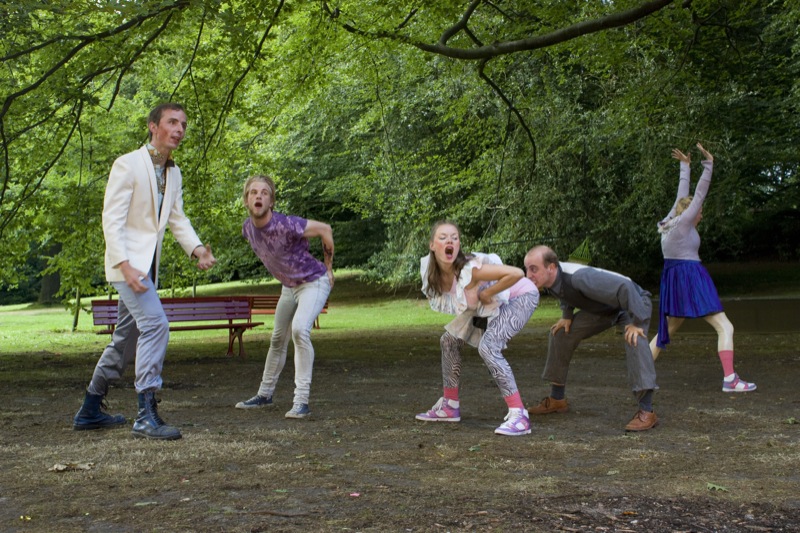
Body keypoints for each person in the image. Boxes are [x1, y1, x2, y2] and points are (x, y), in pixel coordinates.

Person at [73, 103, 217, 440]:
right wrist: (123, 264)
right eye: (172, 122)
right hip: (126, 267)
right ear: (153, 126)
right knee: (156, 325)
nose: (179, 129)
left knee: (125, 341)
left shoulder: (173, 173)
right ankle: (145, 415)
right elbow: (112, 219)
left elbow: (177, 218)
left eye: (183, 124)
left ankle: (90, 409)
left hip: (147, 270)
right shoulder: (127, 164)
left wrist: (197, 249)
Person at [416, 221, 540, 436]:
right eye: (443, 237)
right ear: (432, 245)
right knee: (449, 340)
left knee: (488, 347)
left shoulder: (470, 270)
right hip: (485, 307)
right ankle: (450, 406)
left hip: (521, 296)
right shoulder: (432, 272)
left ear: (458, 245)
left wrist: (486, 293)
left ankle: (519, 415)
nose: (449, 241)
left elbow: (516, 273)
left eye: (454, 238)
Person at [649, 143, 756, 392]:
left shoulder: (668, 223)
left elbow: (681, 198)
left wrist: (685, 166)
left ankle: (641, 375)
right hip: (690, 277)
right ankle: (730, 379)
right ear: (690, 213)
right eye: (699, 212)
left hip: (674, 278)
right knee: (725, 326)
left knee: (667, 329)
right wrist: (708, 165)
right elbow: (698, 194)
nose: (701, 214)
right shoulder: (684, 222)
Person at [524, 245, 659, 431]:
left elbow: (625, 286)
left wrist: (638, 322)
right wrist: (567, 315)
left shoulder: (579, 277)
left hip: (633, 304)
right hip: (604, 310)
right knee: (560, 334)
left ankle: (647, 411)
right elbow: (565, 293)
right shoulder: (551, 279)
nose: (528, 275)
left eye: (533, 269)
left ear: (551, 267)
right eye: (527, 269)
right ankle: (557, 399)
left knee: (634, 339)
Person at [235, 175, 334, 419]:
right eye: (253, 192)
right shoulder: (248, 229)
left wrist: (329, 268)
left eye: (264, 193)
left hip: (314, 282)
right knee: (278, 338)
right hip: (289, 287)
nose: (259, 196)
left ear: (271, 202)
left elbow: (325, 229)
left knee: (300, 330)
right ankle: (264, 394)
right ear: (246, 201)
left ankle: (301, 402)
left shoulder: (287, 224)